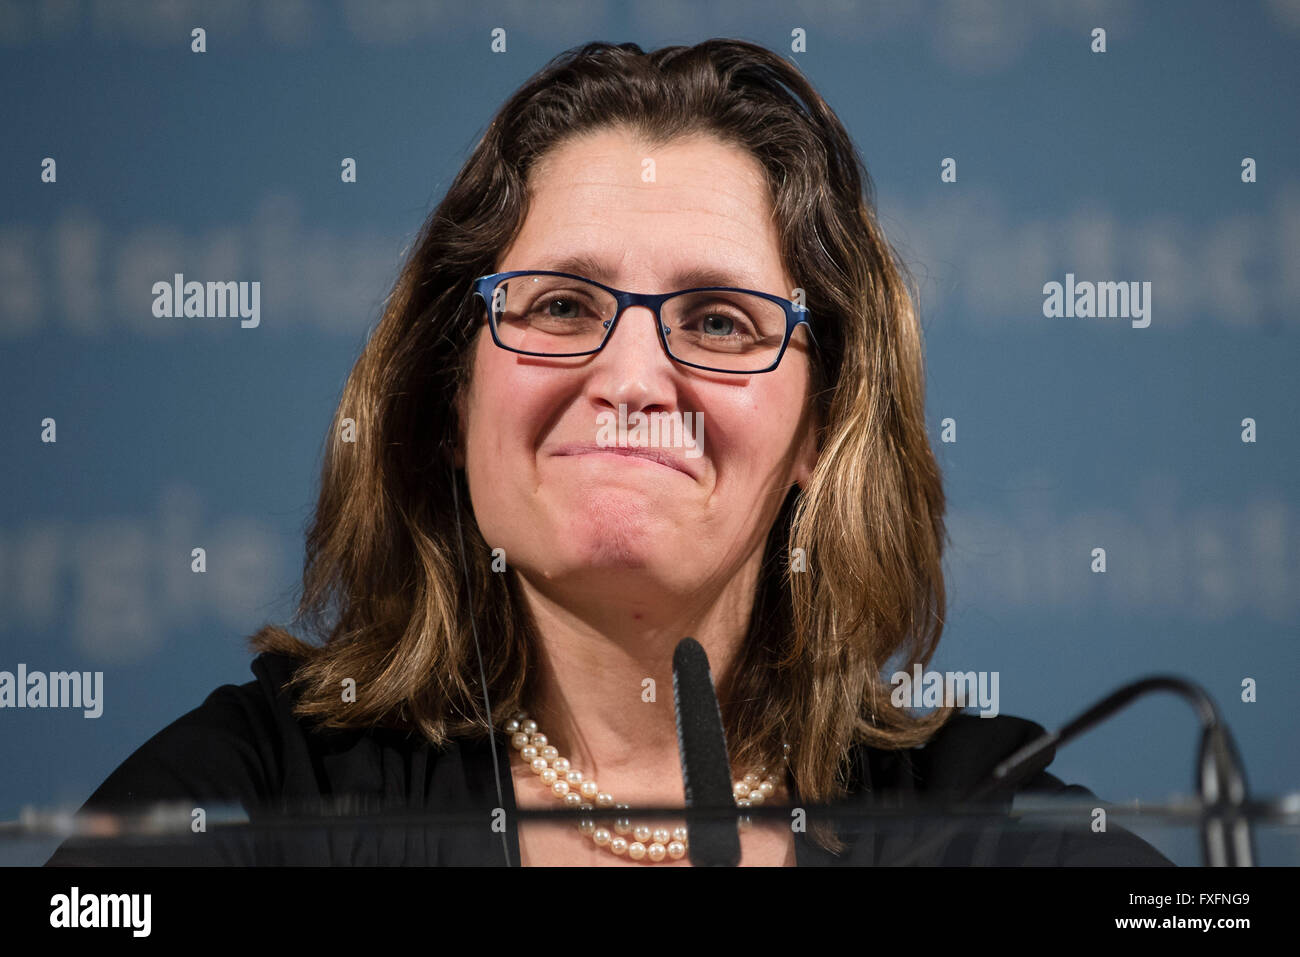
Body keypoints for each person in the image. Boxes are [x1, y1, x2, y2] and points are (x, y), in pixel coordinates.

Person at [47, 38, 1170, 867]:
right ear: (450, 397)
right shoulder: (258, 795)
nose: (632, 378)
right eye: (560, 307)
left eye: (720, 322)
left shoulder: (979, 826)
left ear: (817, 437)